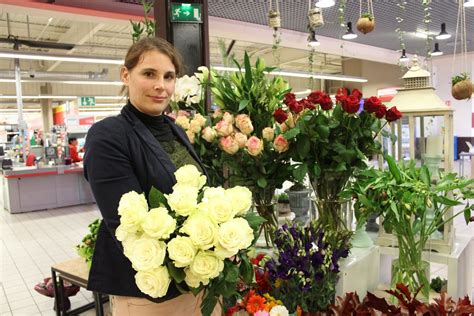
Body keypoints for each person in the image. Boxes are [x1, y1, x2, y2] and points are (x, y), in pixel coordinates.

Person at [83, 37, 217, 316]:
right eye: (149, 74)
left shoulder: (173, 128)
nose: (161, 86)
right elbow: (127, 227)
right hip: (150, 293)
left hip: (200, 283)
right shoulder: (108, 136)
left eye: (169, 77)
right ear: (125, 74)